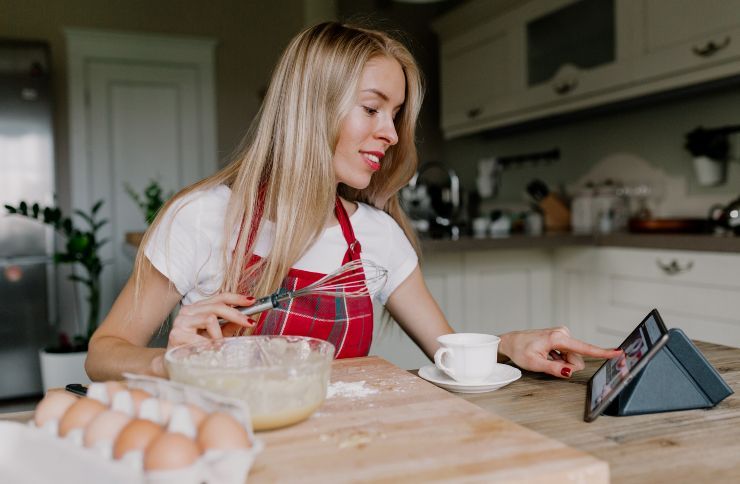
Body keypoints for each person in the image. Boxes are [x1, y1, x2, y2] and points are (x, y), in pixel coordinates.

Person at [86, 22, 619, 382]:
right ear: (309, 107)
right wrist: (173, 361)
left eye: (395, 114)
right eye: (372, 108)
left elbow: (449, 352)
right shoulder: (202, 218)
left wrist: (510, 346)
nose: (389, 132)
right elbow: (103, 353)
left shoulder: (376, 236)